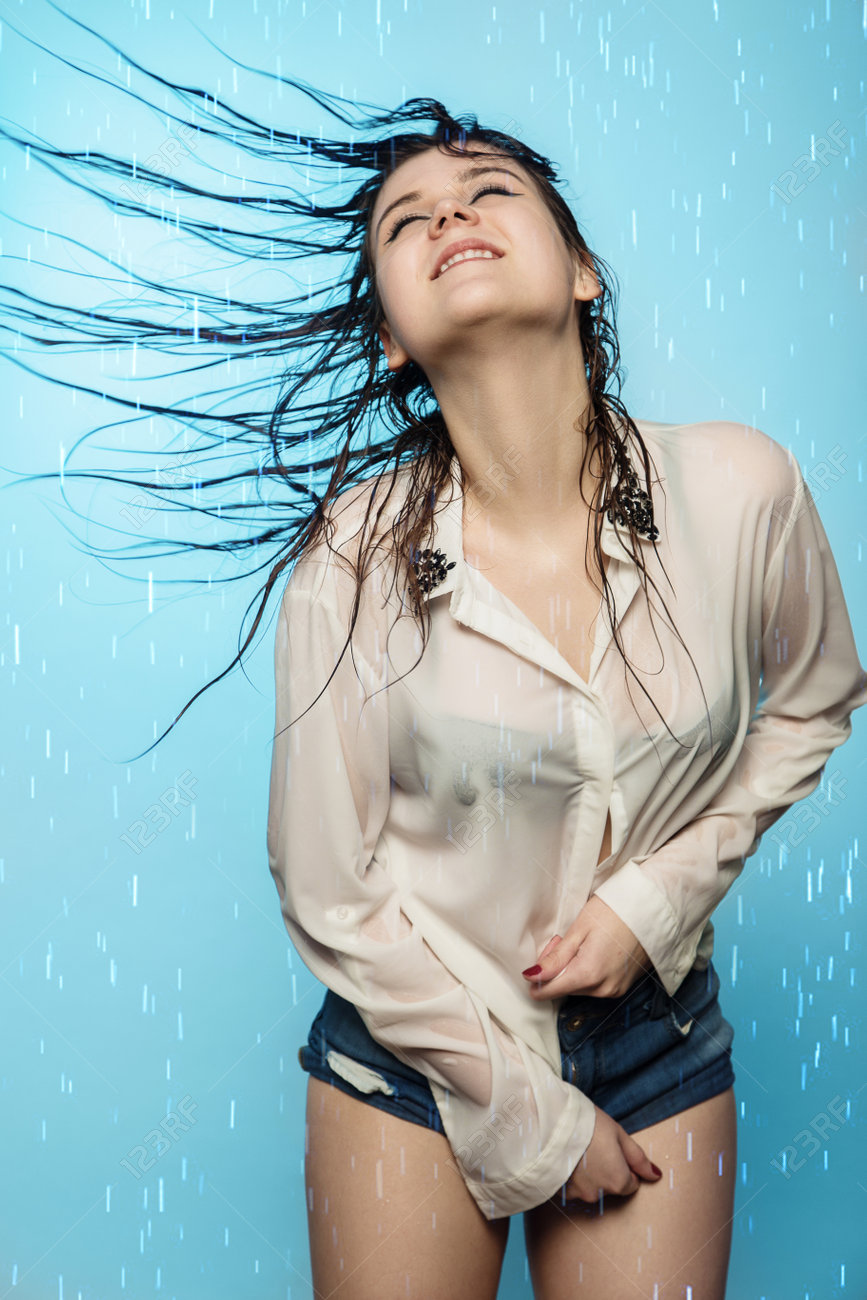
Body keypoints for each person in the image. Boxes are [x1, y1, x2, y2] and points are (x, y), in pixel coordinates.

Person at [265, 120, 866, 1299]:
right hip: (417, 1048)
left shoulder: (745, 490)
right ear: (390, 337)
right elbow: (327, 884)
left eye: (488, 191)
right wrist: (532, 1117)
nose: (448, 217)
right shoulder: (351, 559)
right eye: (408, 219)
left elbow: (813, 703)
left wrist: (656, 898)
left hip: (659, 1047)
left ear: (582, 270)